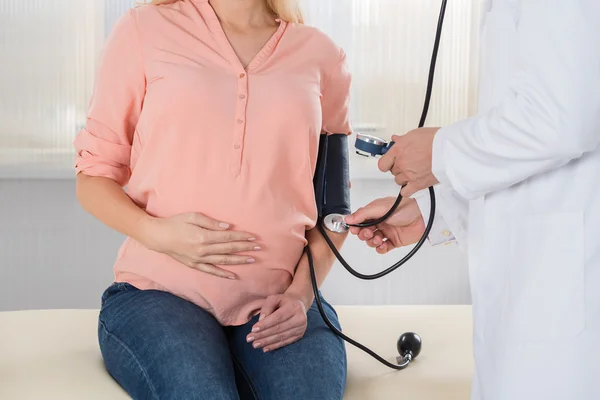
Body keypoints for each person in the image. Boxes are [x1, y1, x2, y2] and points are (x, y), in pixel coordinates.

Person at [74, 0, 351, 398]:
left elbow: (334, 209)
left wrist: (301, 295)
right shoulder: (143, 30)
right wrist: (157, 234)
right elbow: (93, 178)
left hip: (280, 301)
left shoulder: (322, 55)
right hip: (159, 295)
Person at [346, 1, 600, 399]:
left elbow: (563, 118)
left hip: (565, 316)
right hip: (533, 301)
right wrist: (433, 213)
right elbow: (535, 156)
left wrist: (441, 154)